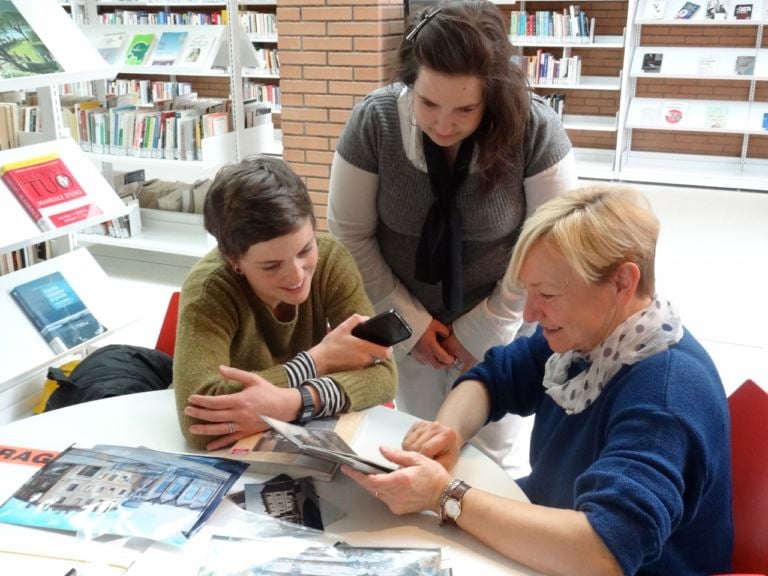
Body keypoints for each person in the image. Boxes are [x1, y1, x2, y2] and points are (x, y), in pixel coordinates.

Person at [342, 186, 733, 575]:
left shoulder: (665, 399)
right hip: (551, 522)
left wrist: (445, 495)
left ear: (622, 282)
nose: (530, 313)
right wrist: (446, 432)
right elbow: (491, 379)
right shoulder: (591, 335)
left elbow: (602, 551)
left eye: (547, 293)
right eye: (528, 293)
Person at [327, 0, 579, 473]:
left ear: (494, 94)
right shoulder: (374, 122)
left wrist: (483, 327)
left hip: (506, 318)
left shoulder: (535, 128)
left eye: (466, 108)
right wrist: (412, 324)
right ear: (409, 83)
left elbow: (551, 245)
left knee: (487, 460)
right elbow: (350, 236)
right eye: (427, 103)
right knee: (415, 443)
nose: (443, 124)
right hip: (402, 316)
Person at [173, 156, 398, 451]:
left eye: (305, 249)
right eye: (271, 266)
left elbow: (384, 374)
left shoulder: (331, 260)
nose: (296, 274)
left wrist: (292, 403)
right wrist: (318, 361)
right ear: (234, 261)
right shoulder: (210, 289)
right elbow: (197, 426)